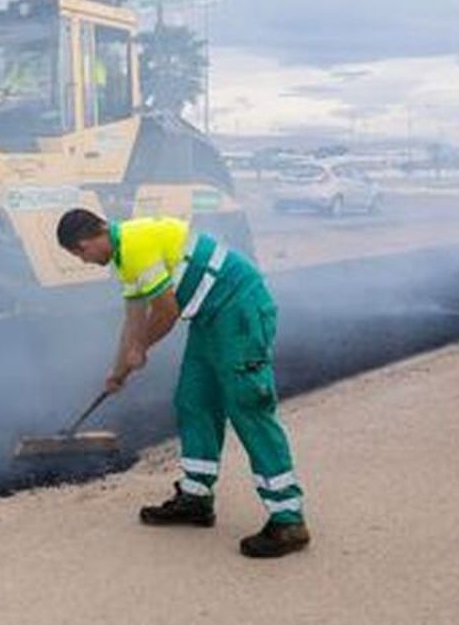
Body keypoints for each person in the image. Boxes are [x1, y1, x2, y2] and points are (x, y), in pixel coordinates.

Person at [55, 208, 311, 558]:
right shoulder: (124, 257)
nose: (84, 261)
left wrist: (142, 348)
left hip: (239, 309)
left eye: (80, 254)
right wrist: (118, 371)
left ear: (86, 242)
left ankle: (288, 519)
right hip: (209, 318)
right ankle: (196, 499)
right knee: (194, 401)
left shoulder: (136, 244)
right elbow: (133, 321)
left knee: (248, 407)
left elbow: (165, 311)